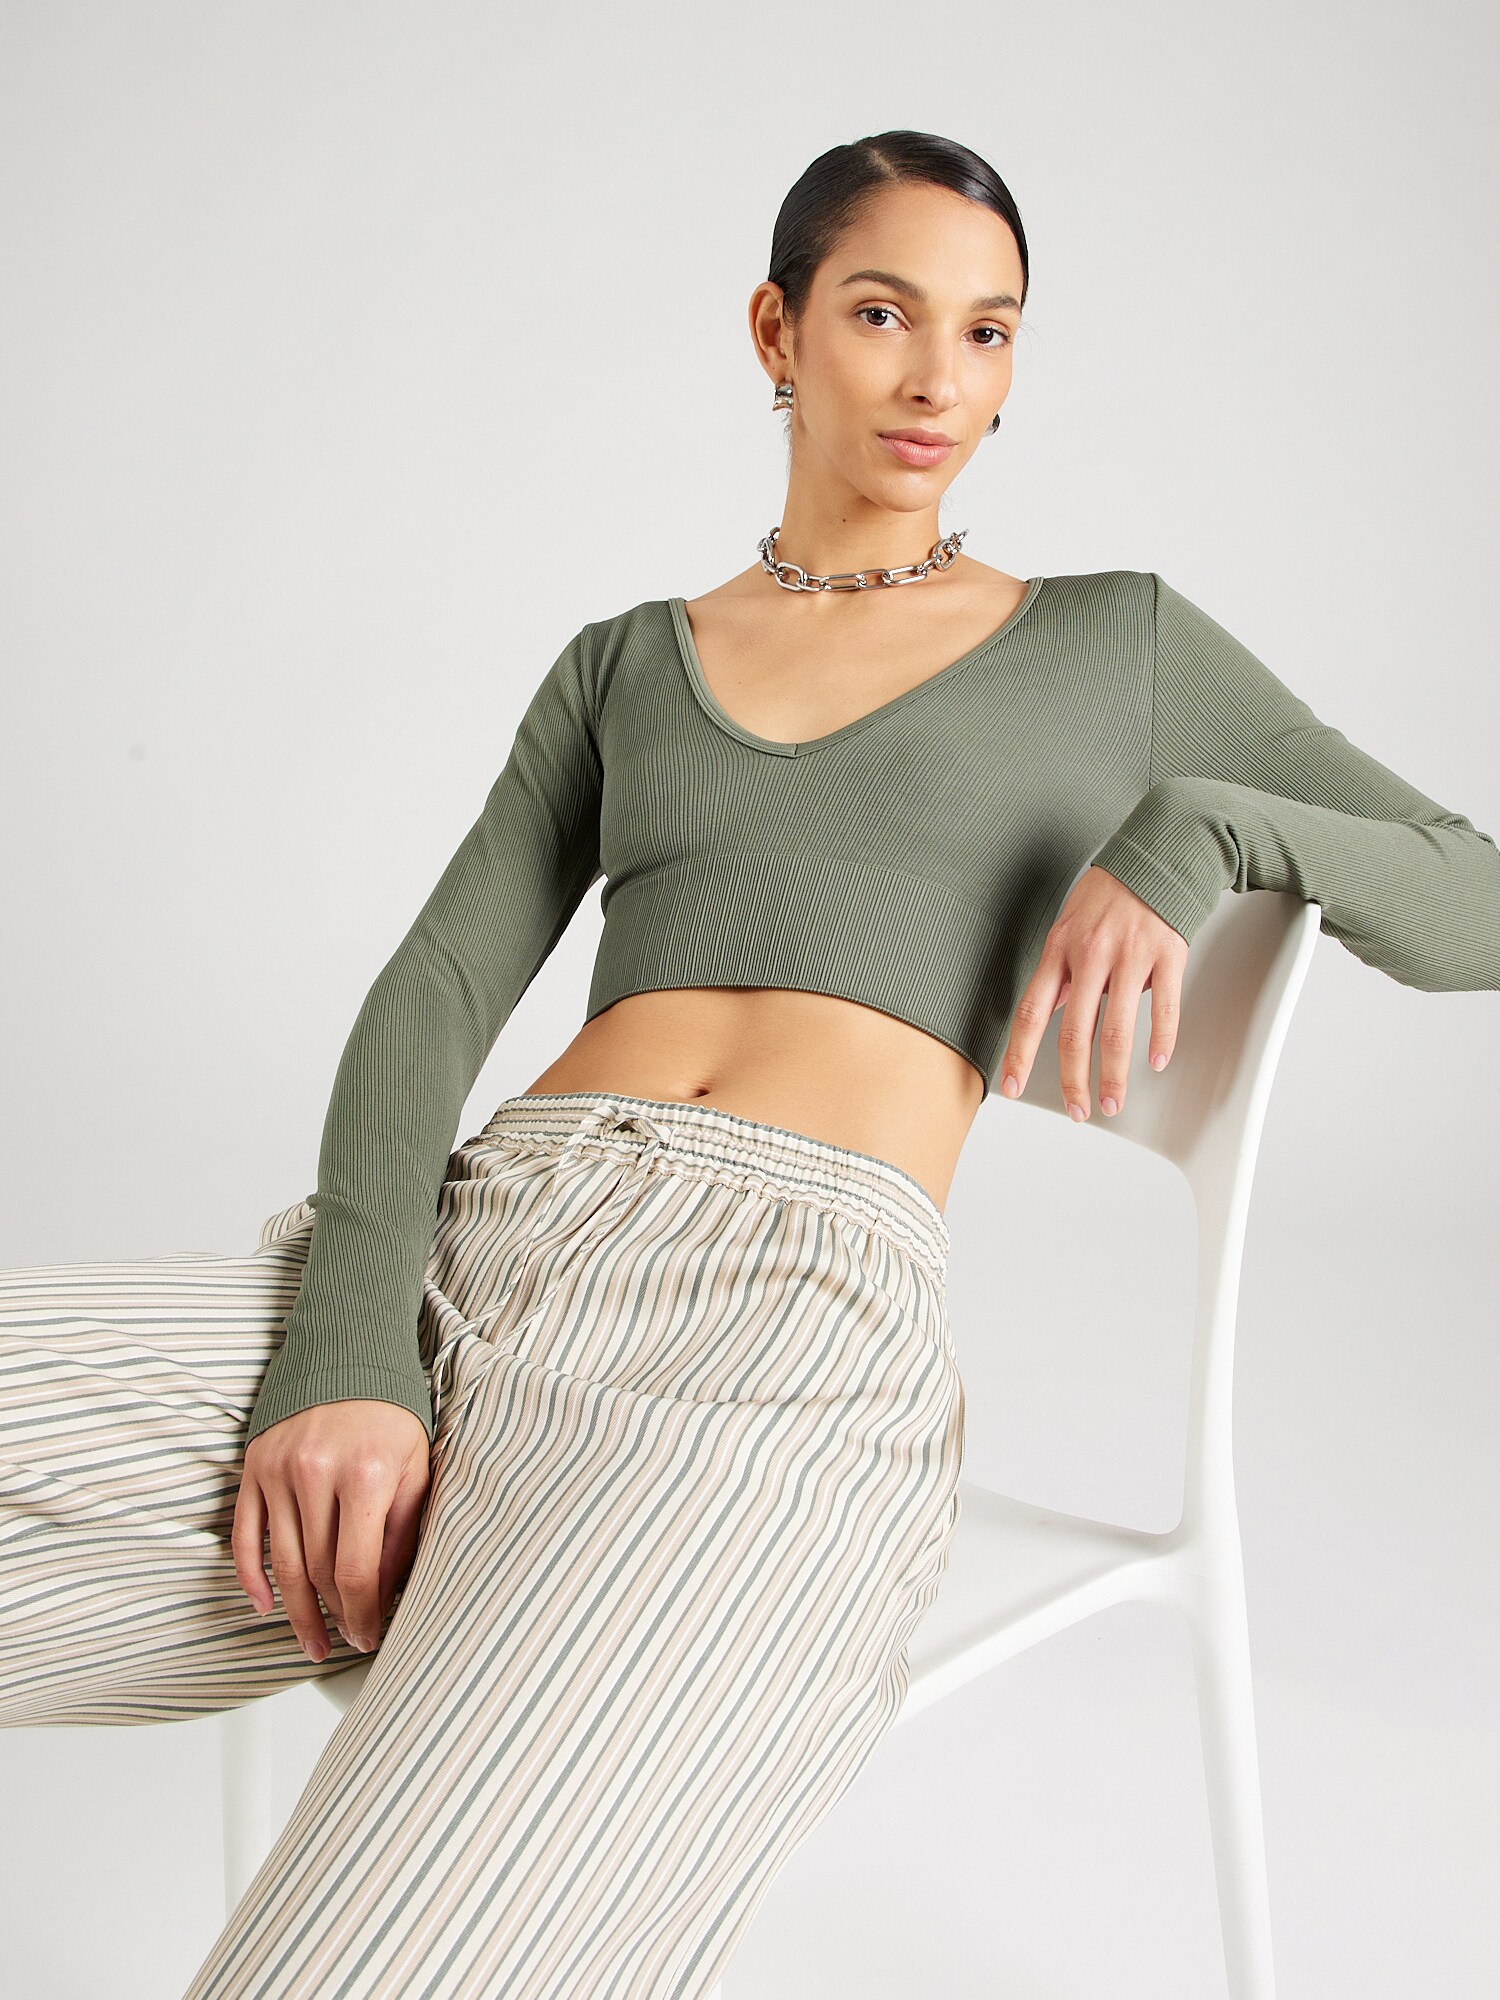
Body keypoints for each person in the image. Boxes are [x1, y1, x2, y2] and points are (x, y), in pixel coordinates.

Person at [3, 128, 1498, 2000]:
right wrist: (347, 1351)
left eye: (989, 331)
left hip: (775, 1333)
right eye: (883, 314)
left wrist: (1203, 830)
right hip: (475, 1242)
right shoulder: (629, 662)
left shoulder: (1114, 643)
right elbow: (436, 991)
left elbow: (1476, 898)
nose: (939, 376)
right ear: (778, 332)